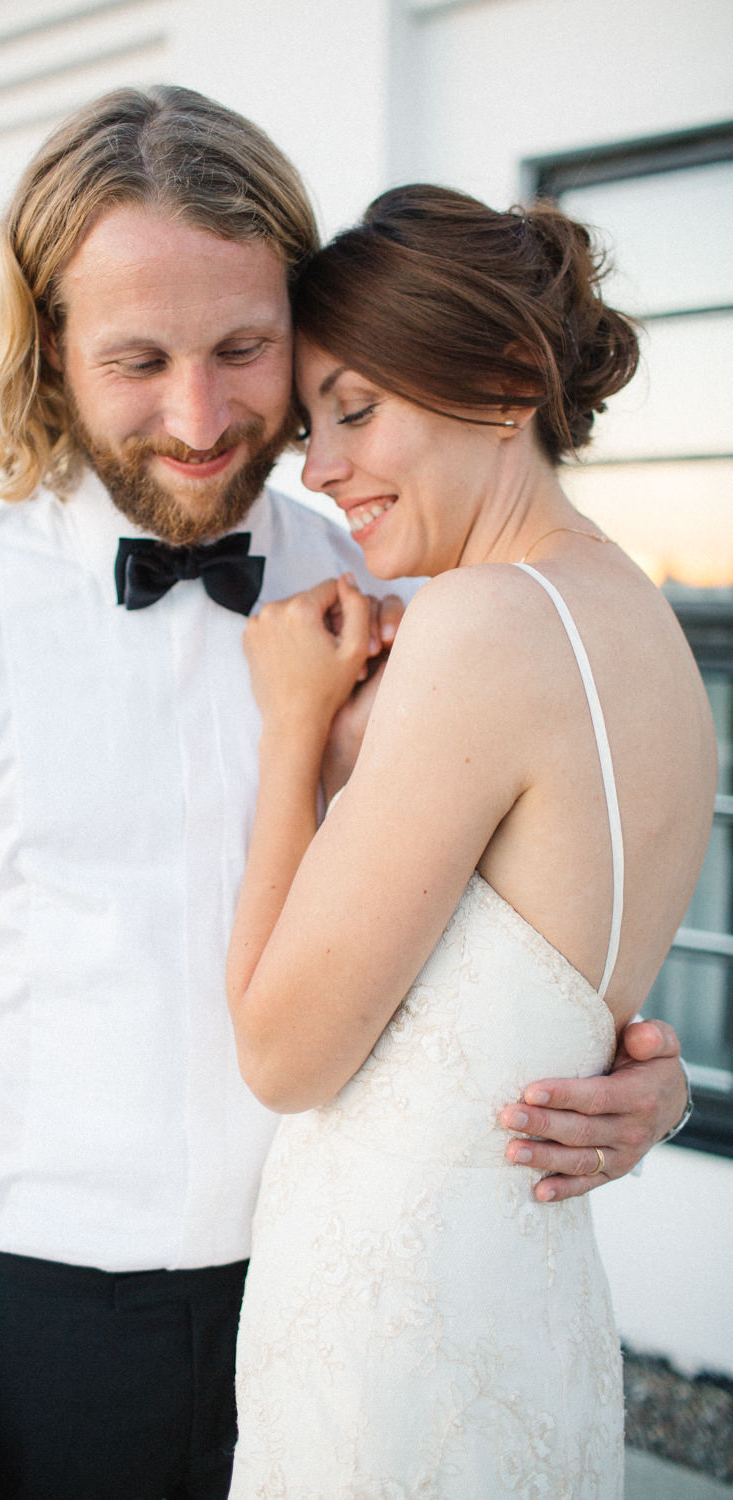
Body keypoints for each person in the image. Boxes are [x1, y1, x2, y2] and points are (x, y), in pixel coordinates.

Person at [0, 92, 693, 1500]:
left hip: (340, 1313)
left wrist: (632, 1076)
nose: (203, 417)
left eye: (244, 350)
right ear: (50, 353)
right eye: (138, 359)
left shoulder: (415, 582)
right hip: (41, 1331)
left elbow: (525, 895)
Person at [225, 184, 717, 1497]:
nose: (319, 470)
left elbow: (282, 1053)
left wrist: (292, 734)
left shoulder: (483, 623)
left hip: (393, 1365)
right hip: (524, 1313)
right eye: (307, 430)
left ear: (505, 383)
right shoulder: (646, 627)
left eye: (356, 408)